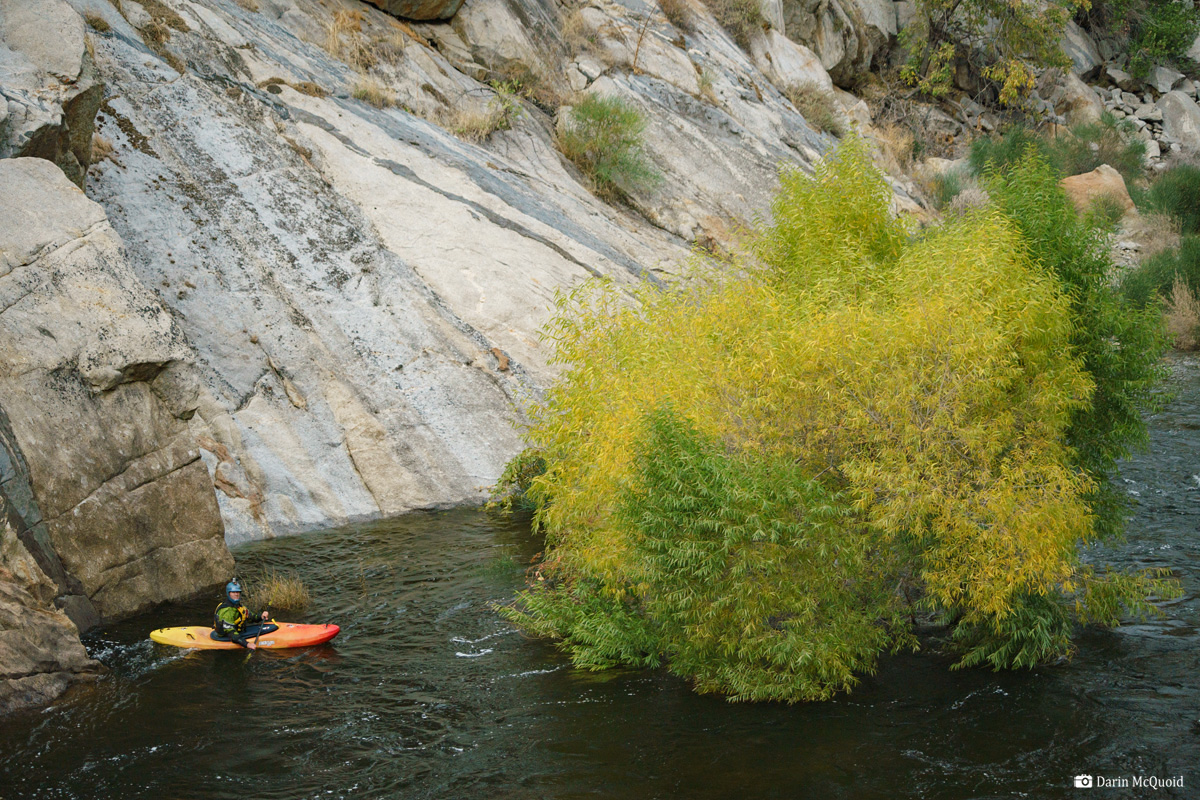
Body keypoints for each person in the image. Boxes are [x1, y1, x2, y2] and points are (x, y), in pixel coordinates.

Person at [213, 581, 274, 648]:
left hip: (237, 631)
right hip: (227, 636)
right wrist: (247, 644)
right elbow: (231, 633)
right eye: (233, 592)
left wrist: (261, 616)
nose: (236, 594)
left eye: (238, 592)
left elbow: (251, 617)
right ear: (229, 593)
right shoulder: (227, 611)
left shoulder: (238, 606)